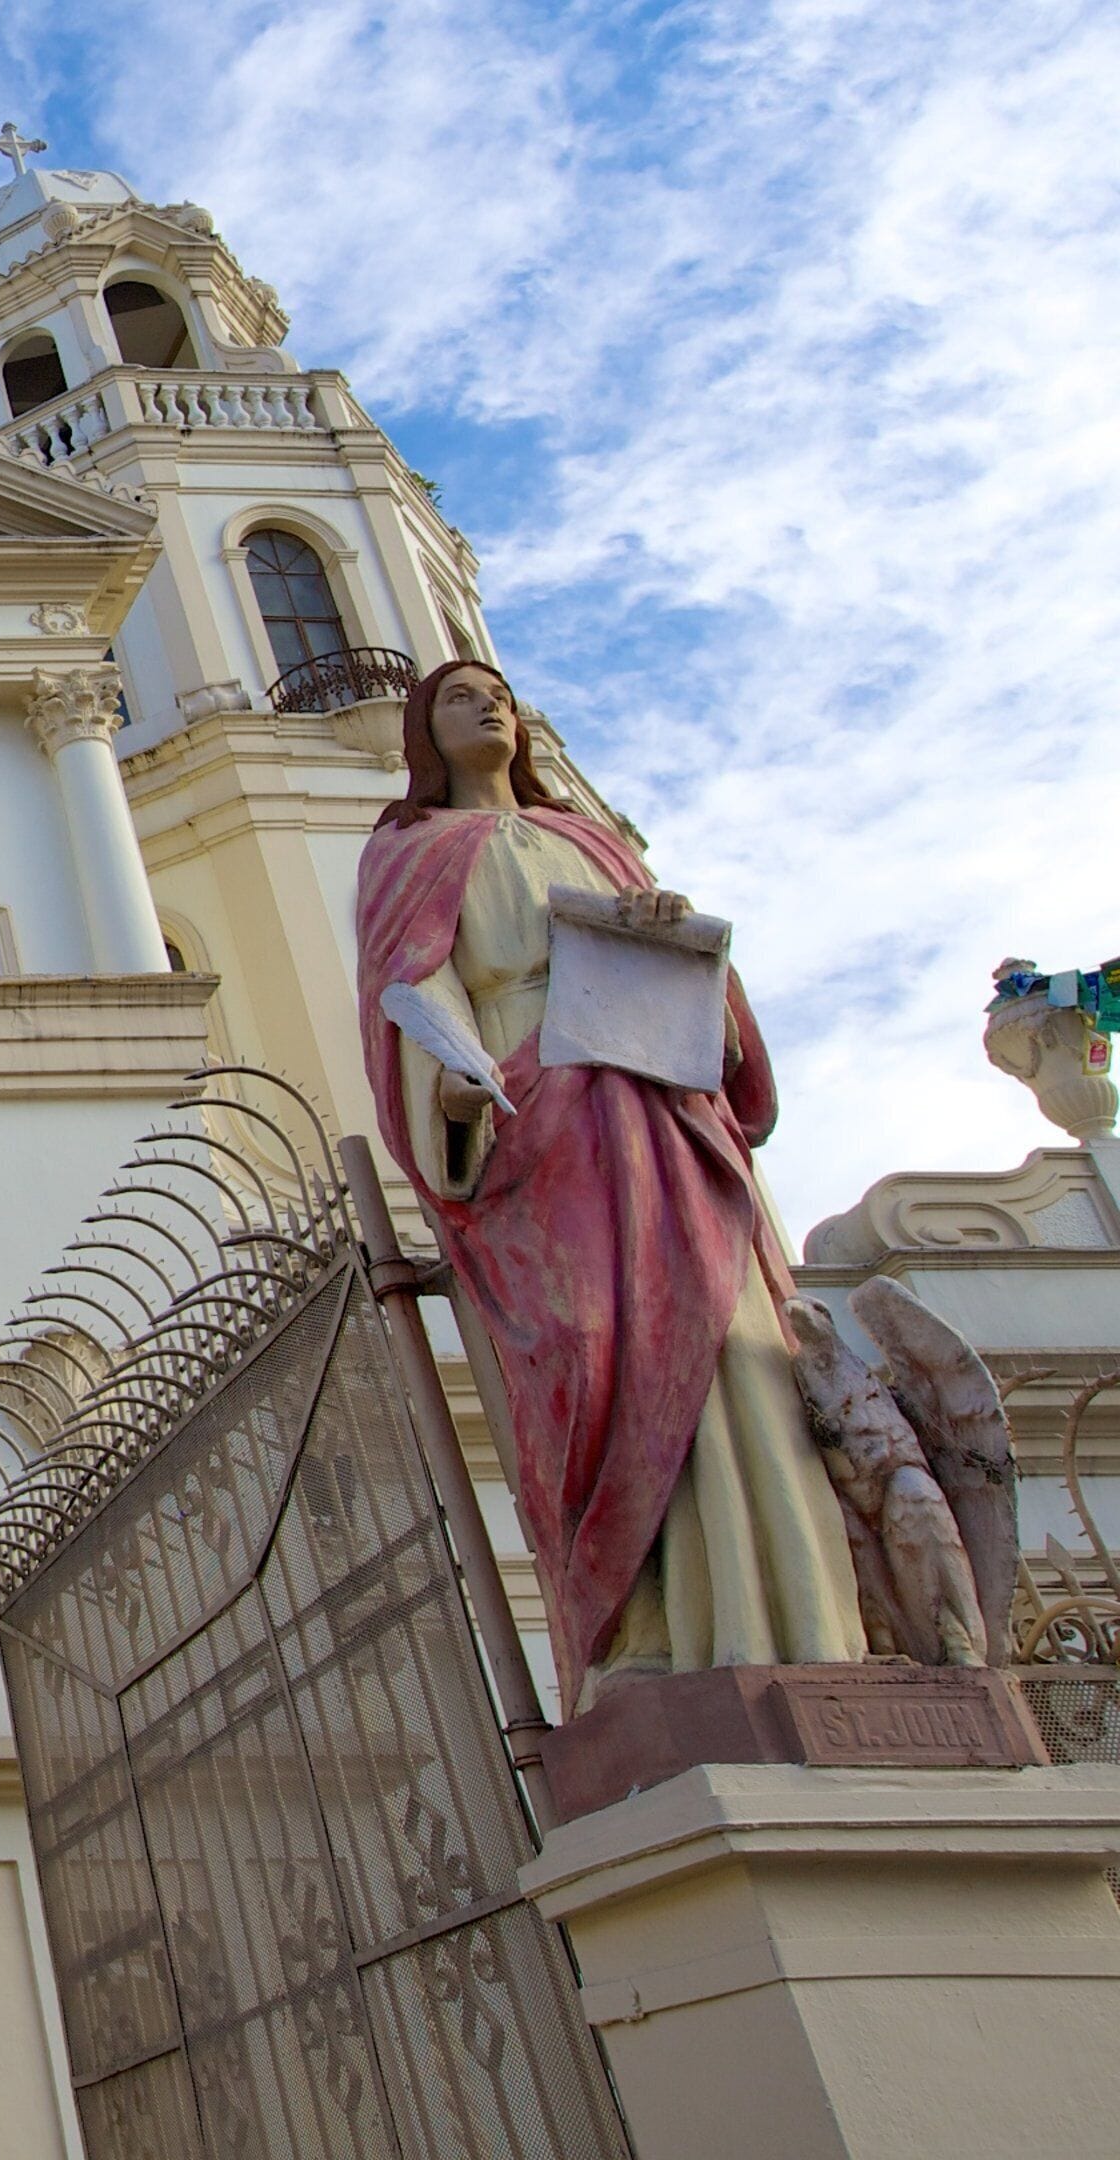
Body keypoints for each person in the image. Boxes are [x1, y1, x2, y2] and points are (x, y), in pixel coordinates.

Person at [355, 660, 857, 1707]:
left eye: (495, 692)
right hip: (547, 1132)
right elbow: (413, 987)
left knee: (731, 1349)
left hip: (660, 1114)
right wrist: (456, 1091)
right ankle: (646, 1632)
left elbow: (720, 1025)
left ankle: (801, 1627)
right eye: (456, 697)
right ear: (422, 731)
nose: (486, 706)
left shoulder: (593, 842)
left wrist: (666, 944)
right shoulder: (410, 855)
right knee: (591, 1357)